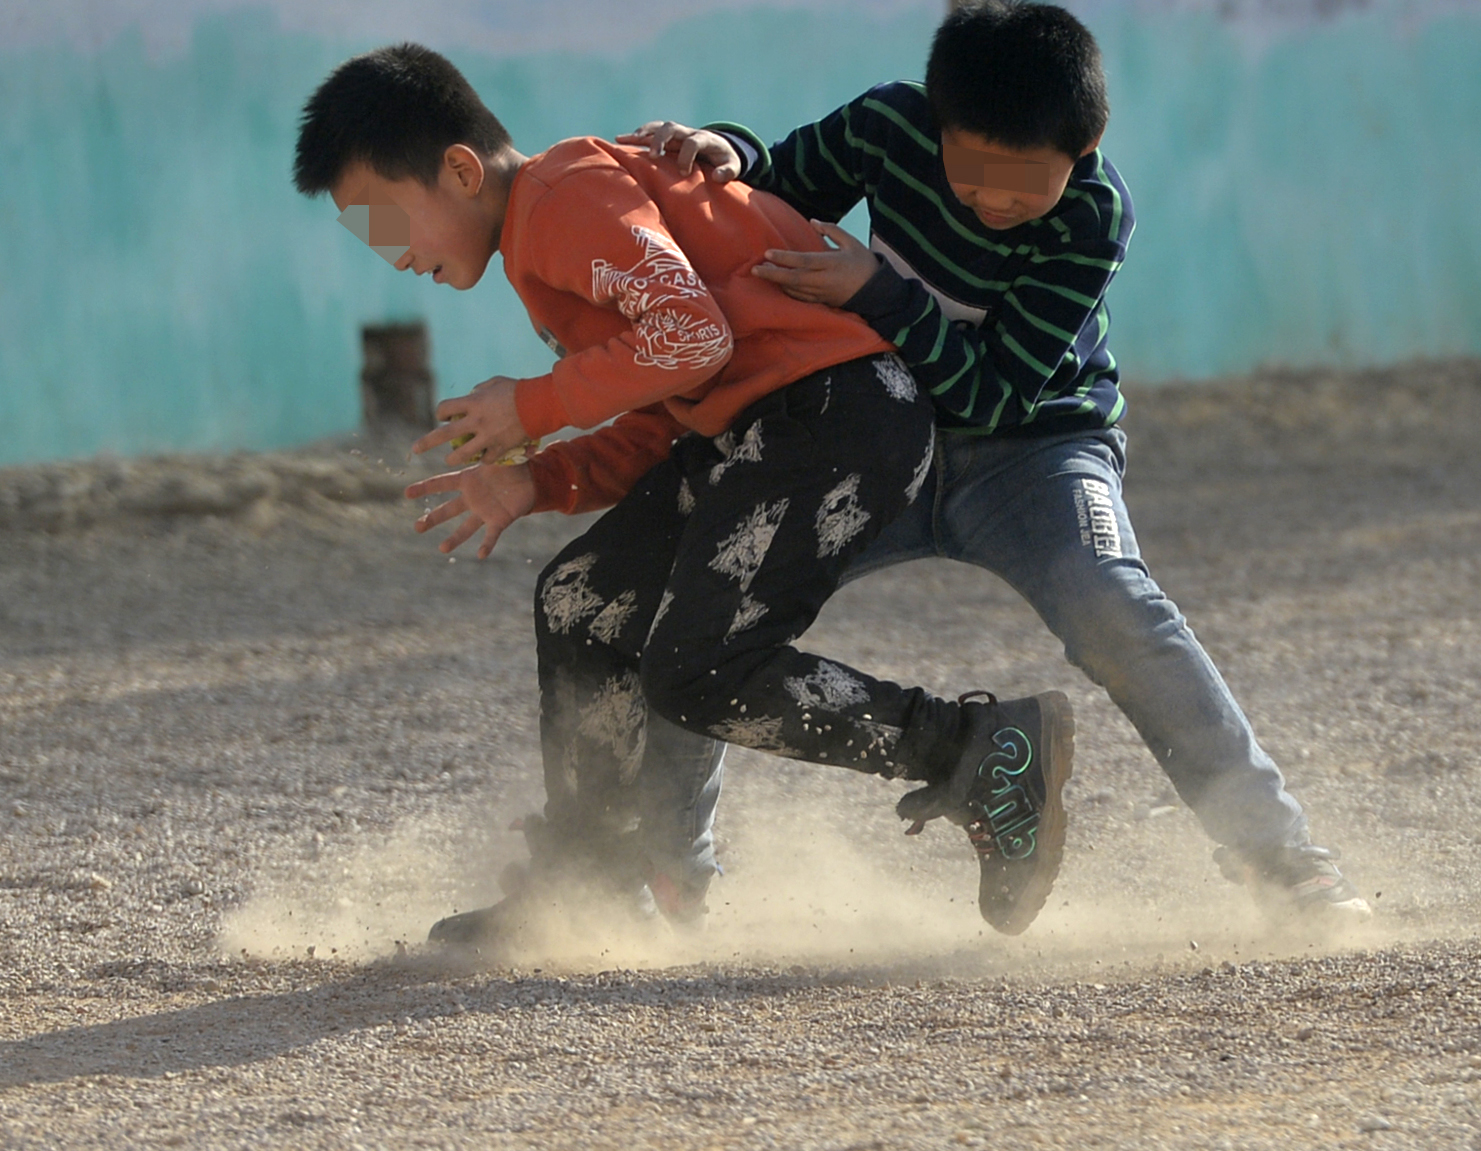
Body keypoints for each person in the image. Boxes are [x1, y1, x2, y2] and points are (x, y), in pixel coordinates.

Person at [291, 43, 1076, 945]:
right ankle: (587, 888)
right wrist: (535, 479)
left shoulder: (556, 200)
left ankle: (979, 751)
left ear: (460, 170)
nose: (390, 257)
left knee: (698, 670)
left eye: (385, 222)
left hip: (834, 418)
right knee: (584, 602)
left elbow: (688, 335)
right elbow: (667, 407)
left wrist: (533, 406)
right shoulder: (543, 230)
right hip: (761, 429)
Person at [619, 0, 1371, 926]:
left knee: (1115, 605)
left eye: (1029, 184)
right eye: (972, 175)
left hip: (1036, 452)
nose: (998, 203)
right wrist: (724, 153)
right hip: (875, 438)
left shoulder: (1095, 214)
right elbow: (782, 180)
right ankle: (665, 877)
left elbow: (995, 395)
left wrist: (879, 291)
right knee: (713, 593)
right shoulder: (889, 125)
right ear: (936, 127)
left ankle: (1286, 864)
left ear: (1085, 151)